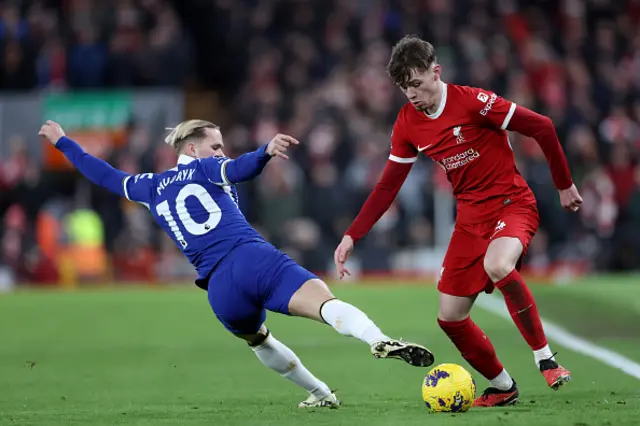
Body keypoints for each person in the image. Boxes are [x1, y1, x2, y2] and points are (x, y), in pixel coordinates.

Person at [39, 119, 434, 409]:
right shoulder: (206, 168)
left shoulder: (149, 186)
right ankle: (375, 338)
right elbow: (239, 168)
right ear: (191, 149)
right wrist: (264, 153)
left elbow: (102, 173)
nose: (220, 153)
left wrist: (63, 143)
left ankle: (319, 392)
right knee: (323, 302)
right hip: (252, 258)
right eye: (215, 146)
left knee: (258, 338)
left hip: (219, 290)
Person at [334, 35, 583, 407]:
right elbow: (388, 186)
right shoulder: (407, 124)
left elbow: (542, 126)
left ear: (437, 72)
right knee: (450, 318)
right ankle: (502, 387)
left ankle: (545, 358)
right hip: (470, 220)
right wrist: (353, 234)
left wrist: (565, 186)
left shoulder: (473, 102)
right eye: (405, 89)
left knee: (498, 265)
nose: (412, 95)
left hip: (511, 203)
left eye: (417, 84)